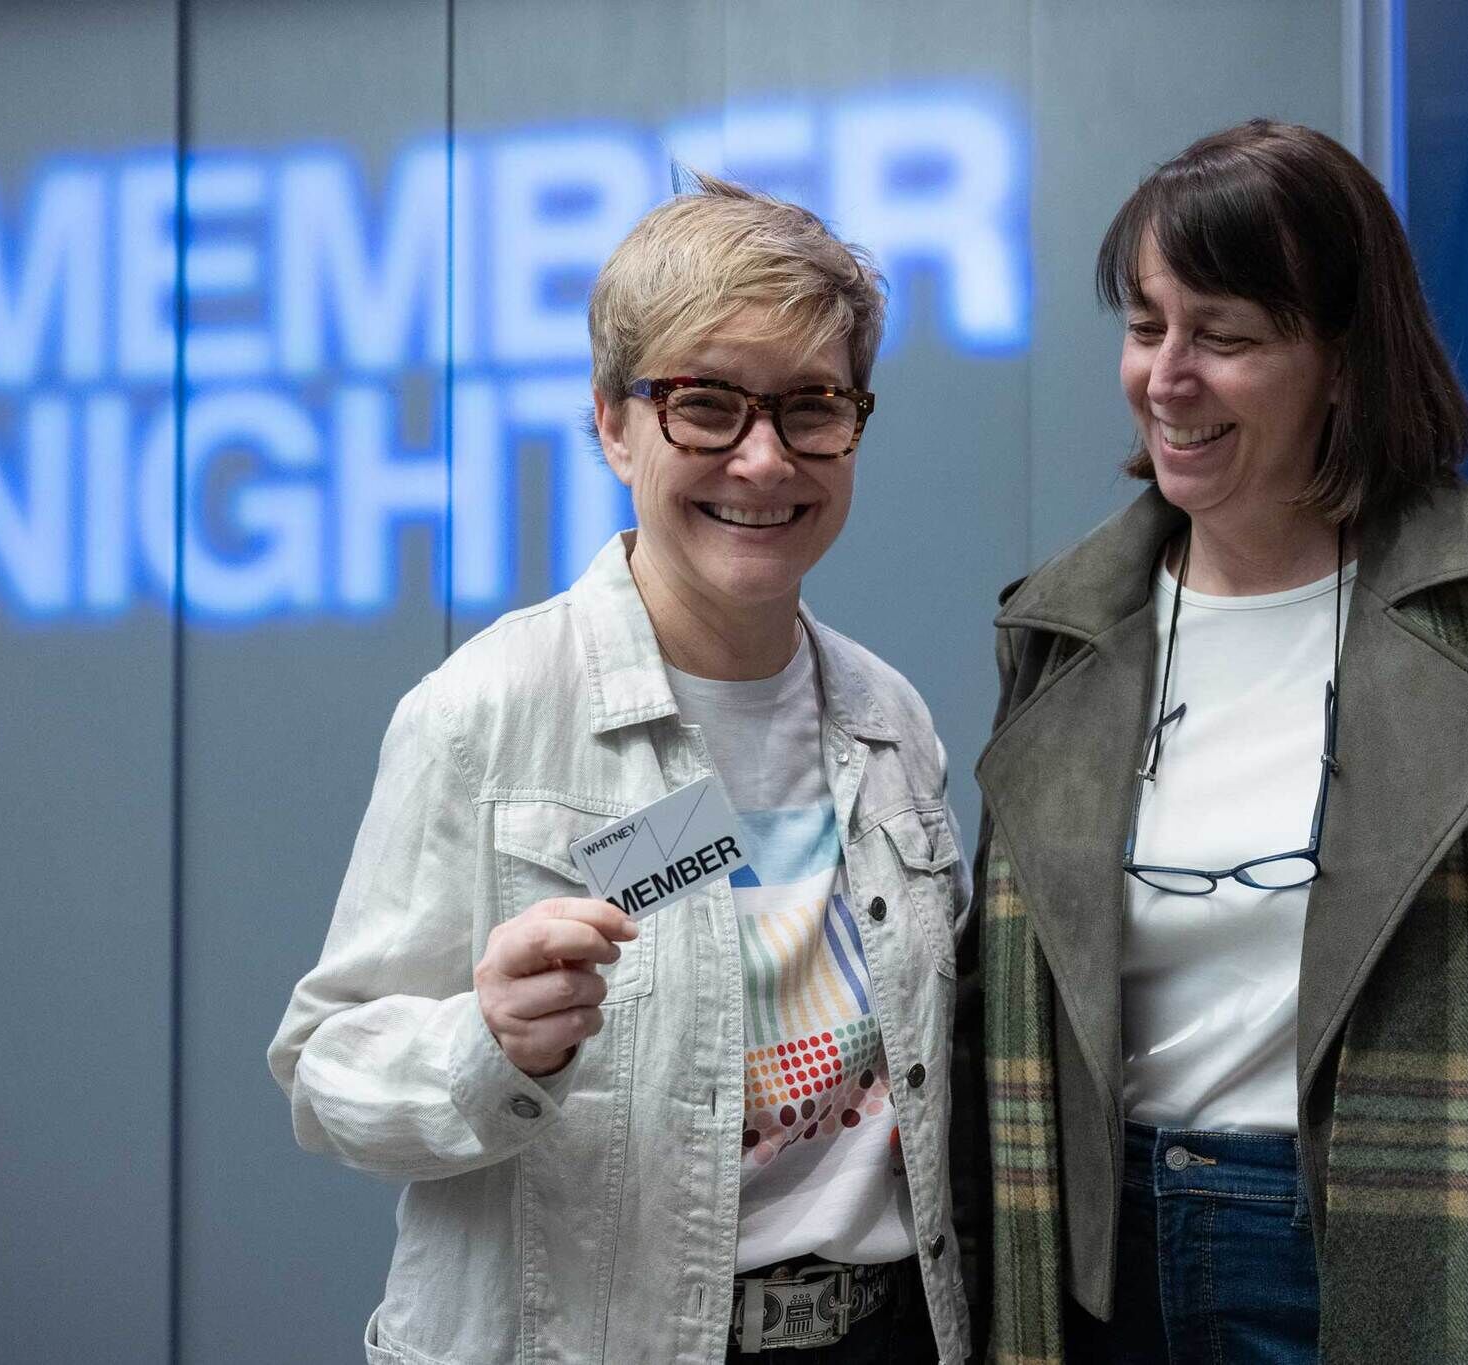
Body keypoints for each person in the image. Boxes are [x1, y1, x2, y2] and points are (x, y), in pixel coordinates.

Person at [952, 119, 1468, 1364]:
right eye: (1145, 327)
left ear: (1344, 362)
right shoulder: (1061, 627)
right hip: (1084, 1276)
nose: (1166, 378)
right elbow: (994, 1012)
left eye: (1225, 337)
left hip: (1389, 1265)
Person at [270, 175, 970, 1364]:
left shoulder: (886, 720)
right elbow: (325, 1067)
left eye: (811, 407)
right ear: (612, 422)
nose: (762, 461)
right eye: (704, 406)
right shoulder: (487, 715)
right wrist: (487, 1044)